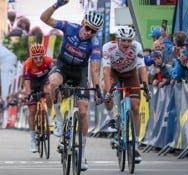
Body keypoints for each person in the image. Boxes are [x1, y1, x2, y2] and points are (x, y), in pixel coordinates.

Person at [40, 0, 103, 170]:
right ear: (83, 23)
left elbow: (95, 69)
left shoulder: (95, 44)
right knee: (53, 82)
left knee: (83, 112)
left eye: (93, 31)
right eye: (87, 28)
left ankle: (82, 155)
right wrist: (57, 5)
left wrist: (98, 90)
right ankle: (58, 119)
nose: (89, 32)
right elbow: (43, 18)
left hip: (80, 72)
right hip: (63, 66)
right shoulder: (69, 27)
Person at [102, 26, 149, 164]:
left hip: (130, 73)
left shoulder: (137, 46)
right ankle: (111, 118)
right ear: (118, 40)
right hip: (113, 73)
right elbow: (106, 71)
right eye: (124, 41)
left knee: (135, 106)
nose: (126, 44)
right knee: (107, 89)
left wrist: (145, 85)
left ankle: (135, 145)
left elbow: (142, 67)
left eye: (129, 41)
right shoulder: (108, 47)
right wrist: (109, 90)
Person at [22, 43, 54, 153]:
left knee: (49, 92)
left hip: (44, 81)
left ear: (44, 55)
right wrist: (28, 95)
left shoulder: (49, 61)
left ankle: (48, 114)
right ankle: (32, 139)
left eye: (41, 57)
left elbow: (54, 76)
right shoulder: (27, 64)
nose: (39, 60)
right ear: (32, 57)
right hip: (33, 83)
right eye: (36, 58)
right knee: (32, 110)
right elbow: (26, 83)